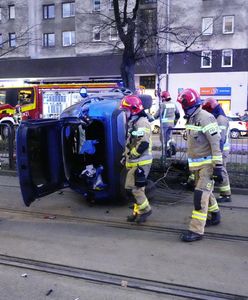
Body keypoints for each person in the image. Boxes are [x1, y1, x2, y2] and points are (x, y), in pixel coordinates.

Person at [177, 88, 223, 242]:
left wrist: (217, 166)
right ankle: (215, 215)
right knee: (205, 194)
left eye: (186, 107)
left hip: (208, 166)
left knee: (200, 197)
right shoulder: (191, 118)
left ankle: (196, 231)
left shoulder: (206, 118)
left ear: (193, 105)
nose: (184, 109)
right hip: (197, 166)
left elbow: (216, 143)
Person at [120, 95, 153, 223]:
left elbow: (143, 144)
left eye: (126, 110)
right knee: (137, 189)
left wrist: (132, 154)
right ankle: (137, 212)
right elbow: (131, 142)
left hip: (141, 162)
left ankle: (145, 210)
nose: (125, 113)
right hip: (135, 162)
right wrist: (125, 156)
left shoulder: (142, 122)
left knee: (133, 188)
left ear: (133, 110)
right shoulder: (134, 122)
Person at [202, 97, 231, 203]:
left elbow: (220, 139)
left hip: (221, 150)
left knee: (221, 170)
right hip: (220, 149)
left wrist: (217, 153)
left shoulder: (221, 119)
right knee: (221, 170)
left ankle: (226, 195)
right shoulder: (218, 116)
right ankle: (224, 193)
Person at [153, 91, 180, 155]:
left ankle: (167, 151)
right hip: (171, 124)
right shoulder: (174, 104)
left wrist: (153, 117)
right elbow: (178, 115)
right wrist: (174, 122)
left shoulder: (163, 105)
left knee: (162, 138)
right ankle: (173, 145)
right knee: (169, 137)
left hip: (164, 125)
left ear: (163, 98)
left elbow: (156, 115)